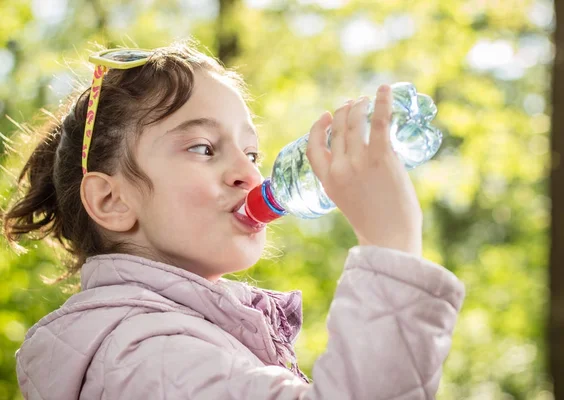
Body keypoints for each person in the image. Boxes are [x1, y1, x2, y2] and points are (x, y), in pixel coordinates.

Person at [1, 39, 465, 400]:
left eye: (252, 153)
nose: (249, 173)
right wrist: (391, 242)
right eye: (203, 148)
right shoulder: (141, 356)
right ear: (111, 201)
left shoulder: (170, 341)